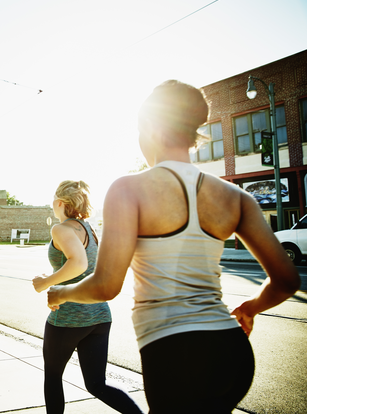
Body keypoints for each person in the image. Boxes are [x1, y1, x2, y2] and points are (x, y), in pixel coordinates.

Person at [46, 80, 301, 413]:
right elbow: (287, 281)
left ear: (149, 127)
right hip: (232, 350)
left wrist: (61, 294)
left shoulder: (128, 189)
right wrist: (250, 307)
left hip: (173, 350)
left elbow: (106, 286)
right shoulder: (236, 197)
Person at [32, 181, 143, 414]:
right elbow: (82, 264)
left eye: (53, 199)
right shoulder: (88, 228)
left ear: (60, 202)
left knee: (53, 377)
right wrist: (54, 277)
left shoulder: (61, 229)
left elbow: (79, 264)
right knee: (96, 384)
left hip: (69, 317)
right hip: (99, 316)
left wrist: (46, 283)